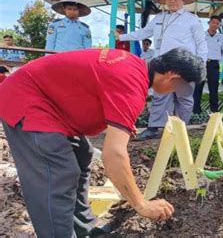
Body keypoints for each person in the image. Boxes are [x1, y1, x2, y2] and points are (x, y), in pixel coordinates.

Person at [0, 48, 205, 237]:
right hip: (25, 99)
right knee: (59, 171)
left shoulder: (133, 68)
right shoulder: (131, 83)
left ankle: (85, 231)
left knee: (83, 154)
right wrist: (141, 204)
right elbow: (114, 154)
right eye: (181, 88)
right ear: (173, 77)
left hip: (51, 106)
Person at [116, 0, 207, 140]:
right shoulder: (159, 18)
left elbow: (201, 43)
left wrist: (201, 65)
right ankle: (153, 128)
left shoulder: (192, 20)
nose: (172, 1)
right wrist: (121, 37)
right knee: (160, 96)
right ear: (164, 0)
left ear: (183, 0)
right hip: (162, 65)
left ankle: (180, 129)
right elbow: (144, 32)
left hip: (184, 65)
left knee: (183, 97)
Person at [193, 15, 223, 114]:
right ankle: (196, 110)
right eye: (213, 22)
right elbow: (195, 48)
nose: (214, 25)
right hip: (201, 63)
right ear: (209, 23)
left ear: (219, 26)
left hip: (214, 64)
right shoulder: (201, 36)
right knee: (198, 87)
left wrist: (219, 61)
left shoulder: (222, 37)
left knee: (213, 88)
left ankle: (214, 110)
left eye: (217, 23)